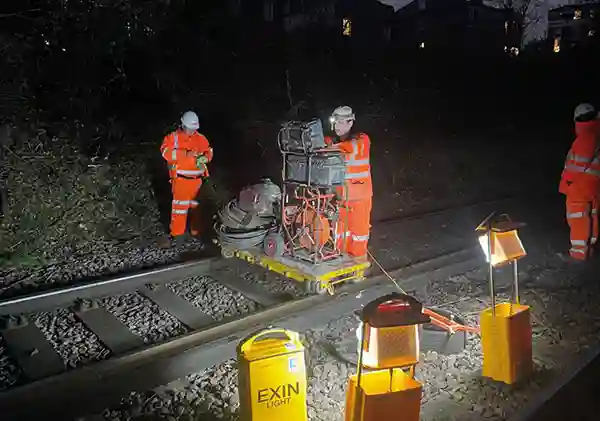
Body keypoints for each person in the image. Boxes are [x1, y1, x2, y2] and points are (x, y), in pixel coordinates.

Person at [324, 105, 372, 259]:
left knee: (359, 233)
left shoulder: (361, 140)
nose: (337, 126)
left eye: (341, 122)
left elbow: (348, 148)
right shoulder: (333, 141)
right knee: (340, 232)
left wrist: (326, 146)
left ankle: (358, 267)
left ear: (350, 123)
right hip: (342, 196)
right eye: (335, 122)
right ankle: (340, 261)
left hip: (359, 197)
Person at [160, 111, 214, 245]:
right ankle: (177, 235)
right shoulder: (173, 138)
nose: (192, 131)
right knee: (179, 209)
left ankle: (196, 232)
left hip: (198, 181)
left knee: (197, 207)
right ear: (183, 125)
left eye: (194, 129)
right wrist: (185, 154)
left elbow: (209, 151)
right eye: (190, 128)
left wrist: (205, 157)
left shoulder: (200, 138)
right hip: (181, 180)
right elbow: (165, 152)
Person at [559, 103, 600, 262]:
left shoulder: (587, 136)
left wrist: (567, 181)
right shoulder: (596, 134)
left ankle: (578, 255)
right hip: (593, 186)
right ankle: (589, 249)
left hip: (579, 187)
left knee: (578, 219)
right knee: (592, 216)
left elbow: (579, 163)